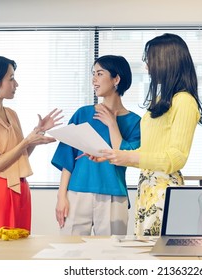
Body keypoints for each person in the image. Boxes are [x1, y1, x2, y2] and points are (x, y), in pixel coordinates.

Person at [91, 33, 202, 236]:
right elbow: (148, 152)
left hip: (165, 192)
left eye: (150, 60)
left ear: (167, 61)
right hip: (147, 189)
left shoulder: (185, 101)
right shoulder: (162, 100)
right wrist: (111, 156)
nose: (147, 67)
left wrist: (123, 156)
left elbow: (176, 158)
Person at [0, 55, 63, 233]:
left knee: (21, 247)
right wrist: (27, 140)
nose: (16, 84)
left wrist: (37, 134)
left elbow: (19, 156)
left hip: (21, 188)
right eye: (11, 78)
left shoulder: (11, 114)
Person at [51, 55, 141, 236]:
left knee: (111, 255)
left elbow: (125, 157)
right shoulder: (82, 114)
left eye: (100, 74)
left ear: (116, 79)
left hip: (114, 195)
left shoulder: (135, 122)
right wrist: (61, 196)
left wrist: (112, 124)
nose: (94, 80)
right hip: (77, 192)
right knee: (69, 253)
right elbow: (67, 159)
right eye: (93, 74)